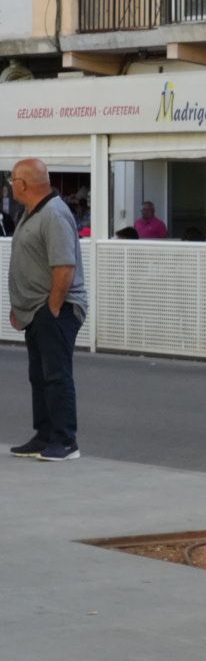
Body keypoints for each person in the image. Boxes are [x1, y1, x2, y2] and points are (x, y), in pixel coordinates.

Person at [6, 159, 89, 462]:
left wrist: (52, 307)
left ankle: (66, 441)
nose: (10, 184)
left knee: (56, 375)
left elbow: (64, 267)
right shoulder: (30, 212)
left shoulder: (53, 214)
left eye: (12, 179)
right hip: (36, 309)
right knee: (39, 376)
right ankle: (44, 435)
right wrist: (21, 306)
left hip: (56, 309)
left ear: (24, 184)